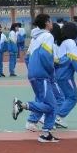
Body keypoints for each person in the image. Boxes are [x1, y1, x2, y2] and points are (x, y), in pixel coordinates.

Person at [12, 14, 61, 143]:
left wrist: (33, 71)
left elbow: (28, 57)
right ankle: (22, 105)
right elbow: (46, 55)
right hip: (42, 74)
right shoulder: (48, 36)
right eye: (50, 21)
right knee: (51, 105)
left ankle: (46, 133)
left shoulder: (36, 37)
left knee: (50, 104)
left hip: (34, 73)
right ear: (46, 23)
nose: (52, 23)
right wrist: (51, 71)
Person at [53, 21, 77, 129]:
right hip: (66, 75)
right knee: (73, 97)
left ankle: (54, 117)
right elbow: (76, 60)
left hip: (59, 74)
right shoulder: (70, 42)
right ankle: (58, 116)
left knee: (63, 98)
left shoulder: (61, 42)